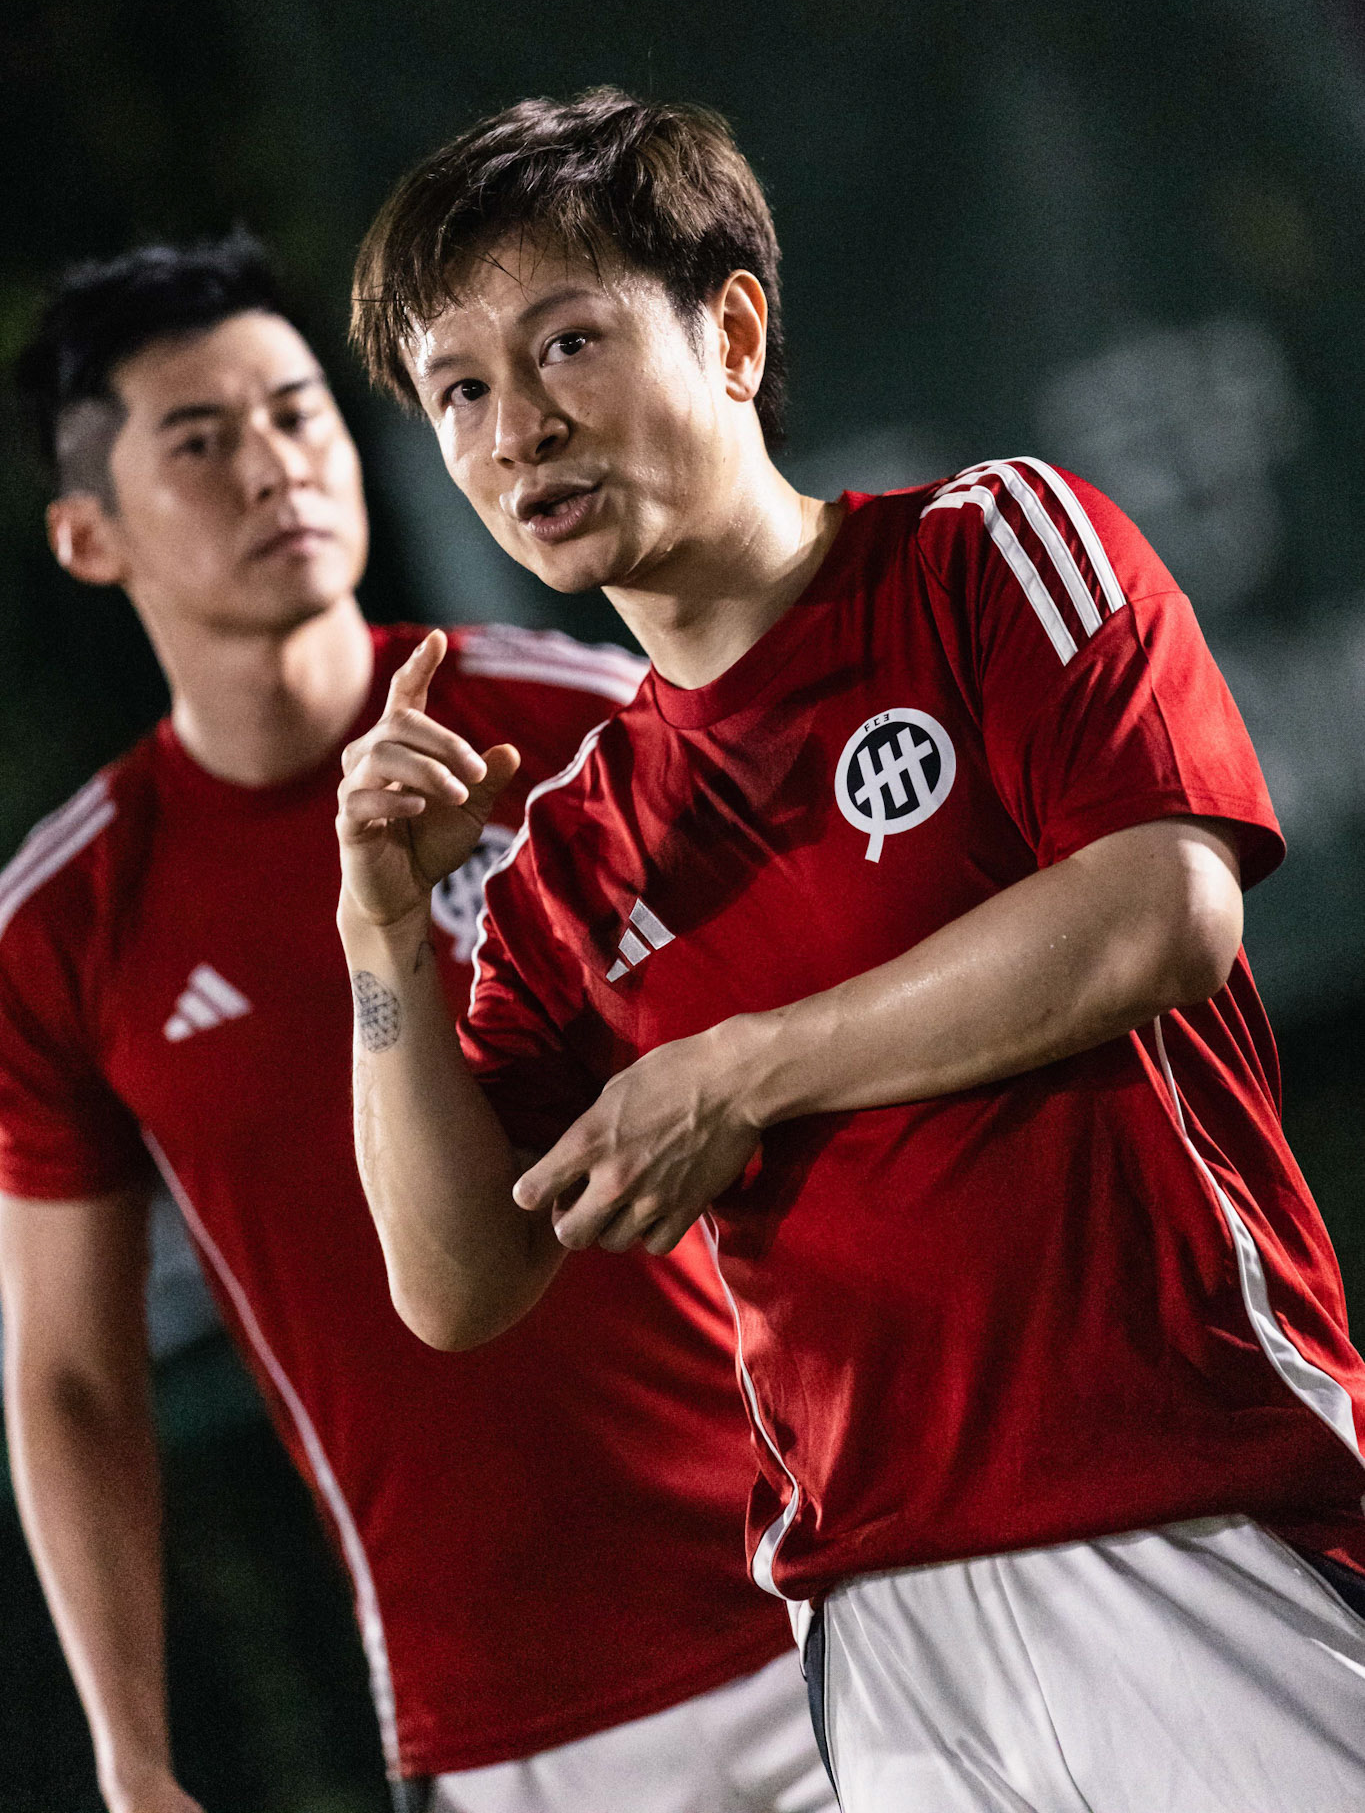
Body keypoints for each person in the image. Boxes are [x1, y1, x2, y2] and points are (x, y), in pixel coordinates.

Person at [339, 88, 1365, 1813]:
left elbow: (1161, 911)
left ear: (733, 333)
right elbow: (456, 1284)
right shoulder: (570, 854)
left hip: (1197, 1514)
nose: (519, 430)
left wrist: (742, 1070)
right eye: (458, 391)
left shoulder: (987, 553)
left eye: (567, 342)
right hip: (883, 1639)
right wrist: (378, 935)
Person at [0, 236, 832, 1813]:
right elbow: (71, 1382)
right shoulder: (63, 928)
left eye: (296, 412)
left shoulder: (585, 729)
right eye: (201, 441)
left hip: (829, 1587)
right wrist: (132, 1760)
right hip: (498, 1720)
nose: (276, 466)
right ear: (89, 535)